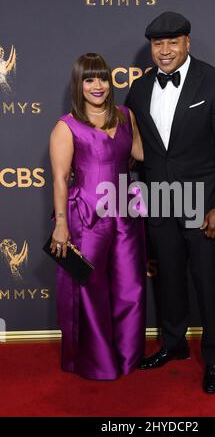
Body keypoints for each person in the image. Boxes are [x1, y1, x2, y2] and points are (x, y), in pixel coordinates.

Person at [126, 12, 215, 393]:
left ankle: (214, 360)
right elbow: (134, 148)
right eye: (158, 44)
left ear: (187, 43)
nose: (164, 51)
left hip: (202, 203)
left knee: (207, 285)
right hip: (159, 200)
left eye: (172, 43)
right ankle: (173, 345)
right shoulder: (140, 90)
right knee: (170, 281)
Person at [49, 53, 146, 381]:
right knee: (89, 288)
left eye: (102, 78)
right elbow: (61, 178)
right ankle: (97, 363)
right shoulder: (66, 126)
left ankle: (128, 357)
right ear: (79, 84)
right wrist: (61, 224)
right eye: (89, 79)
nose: (98, 85)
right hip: (86, 217)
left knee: (130, 287)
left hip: (125, 213)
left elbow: (141, 155)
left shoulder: (125, 116)